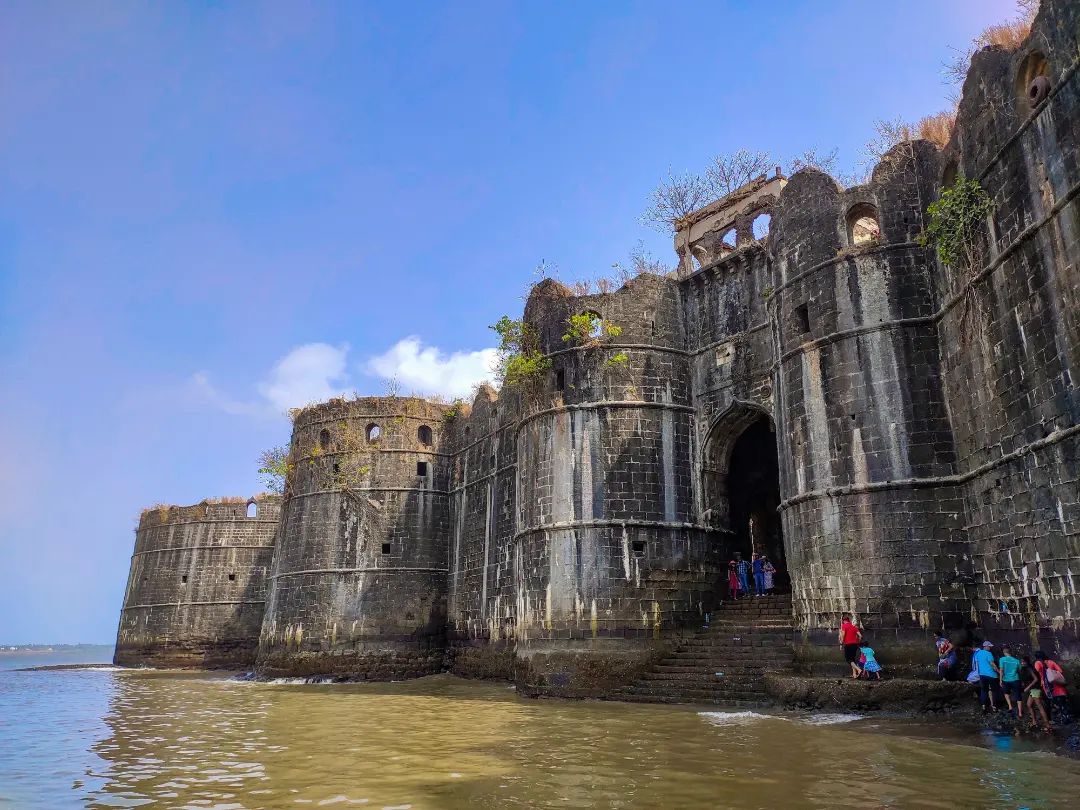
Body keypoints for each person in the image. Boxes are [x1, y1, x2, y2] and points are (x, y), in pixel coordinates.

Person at [1033, 651, 1072, 725]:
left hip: (1047, 688)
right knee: (1062, 704)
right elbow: (1060, 671)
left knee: (1048, 704)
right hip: (1059, 686)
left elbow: (1036, 670)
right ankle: (1065, 718)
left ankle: (1050, 720)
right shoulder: (1051, 662)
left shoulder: (1038, 663)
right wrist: (1052, 674)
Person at [1022, 654, 1051, 732]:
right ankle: (1034, 722)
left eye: (1023, 662)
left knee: (1039, 706)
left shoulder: (1030, 669)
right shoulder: (1026, 669)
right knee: (1029, 704)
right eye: (1021, 662)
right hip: (1033, 690)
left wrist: (1027, 687)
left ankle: (1048, 725)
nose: (1022, 663)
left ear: (1027, 662)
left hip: (1036, 689)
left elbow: (1036, 679)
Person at [972, 640, 1000, 712]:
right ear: (985, 646)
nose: (990, 648)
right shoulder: (989, 654)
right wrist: (999, 671)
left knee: (984, 690)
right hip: (991, 675)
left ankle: (983, 707)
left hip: (982, 675)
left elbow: (976, 663)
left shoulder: (978, 653)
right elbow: (992, 664)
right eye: (989, 646)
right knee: (994, 691)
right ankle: (994, 706)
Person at [998, 645, 1022, 717]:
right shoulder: (1017, 661)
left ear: (1004, 652)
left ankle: (1010, 706)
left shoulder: (1002, 659)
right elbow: (1019, 671)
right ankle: (1020, 712)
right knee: (1018, 695)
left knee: (1006, 693)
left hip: (1006, 680)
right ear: (1010, 652)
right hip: (1015, 679)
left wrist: (1000, 680)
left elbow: (1001, 670)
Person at [839, 613, 863, 679]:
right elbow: (860, 636)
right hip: (855, 645)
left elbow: (843, 635)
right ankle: (854, 674)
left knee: (848, 659)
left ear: (843, 621)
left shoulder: (844, 626)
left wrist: (841, 643)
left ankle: (859, 670)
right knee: (852, 659)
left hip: (848, 644)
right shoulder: (854, 627)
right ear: (848, 620)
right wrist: (858, 642)